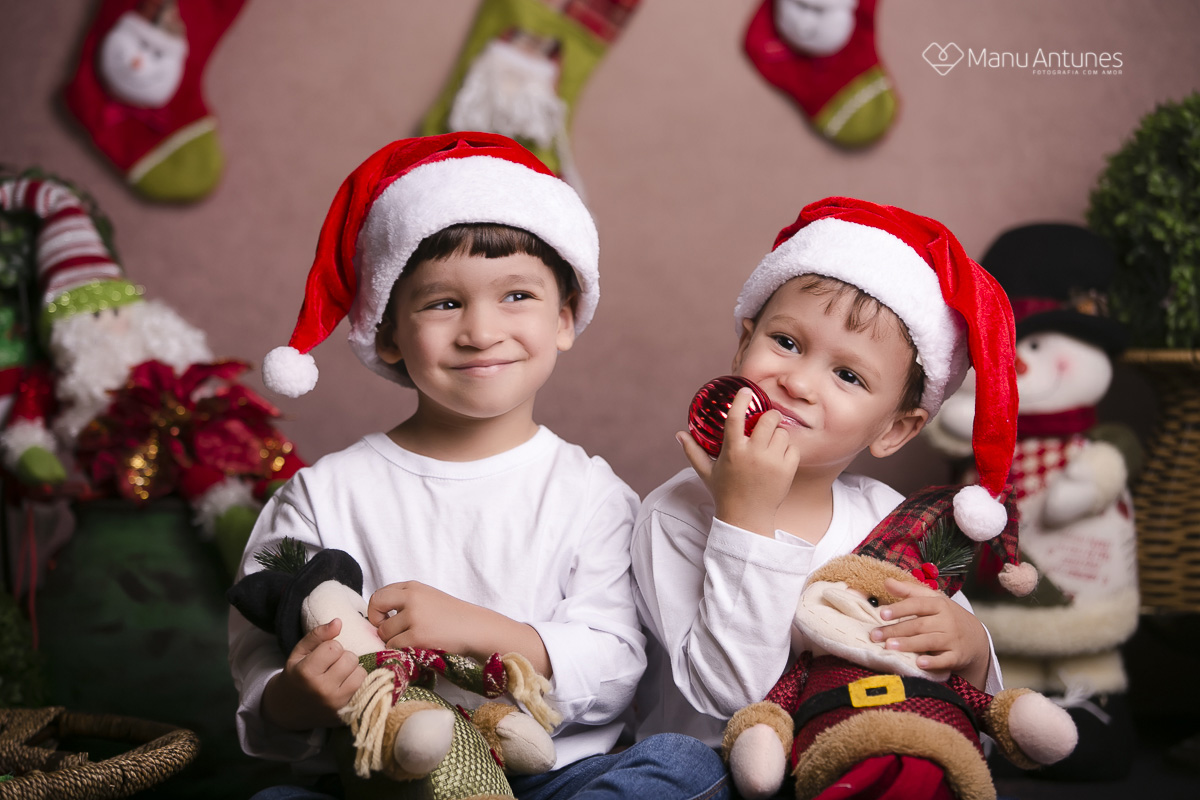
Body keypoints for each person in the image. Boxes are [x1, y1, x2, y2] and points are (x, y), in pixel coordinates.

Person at [230, 132, 729, 800]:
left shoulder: (590, 494)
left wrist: (482, 632)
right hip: (380, 785)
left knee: (688, 765)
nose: (480, 330)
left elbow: (618, 668)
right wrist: (297, 697)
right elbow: (257, 670)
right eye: (443, 302)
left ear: (566, 316)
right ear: (386, 332)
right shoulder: (322, 496)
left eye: (516, 296)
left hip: (547, 780)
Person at [632, 197, 1021, 756]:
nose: (799, 382)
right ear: (743, 344)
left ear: (894, 429)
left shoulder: (892, 522)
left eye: (847, 375)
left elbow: (959, 722)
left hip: (855, 764)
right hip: (713, 771)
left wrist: (973, 649)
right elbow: (732, 696)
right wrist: (745, 517)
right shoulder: (676, 512)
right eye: (786, 343)